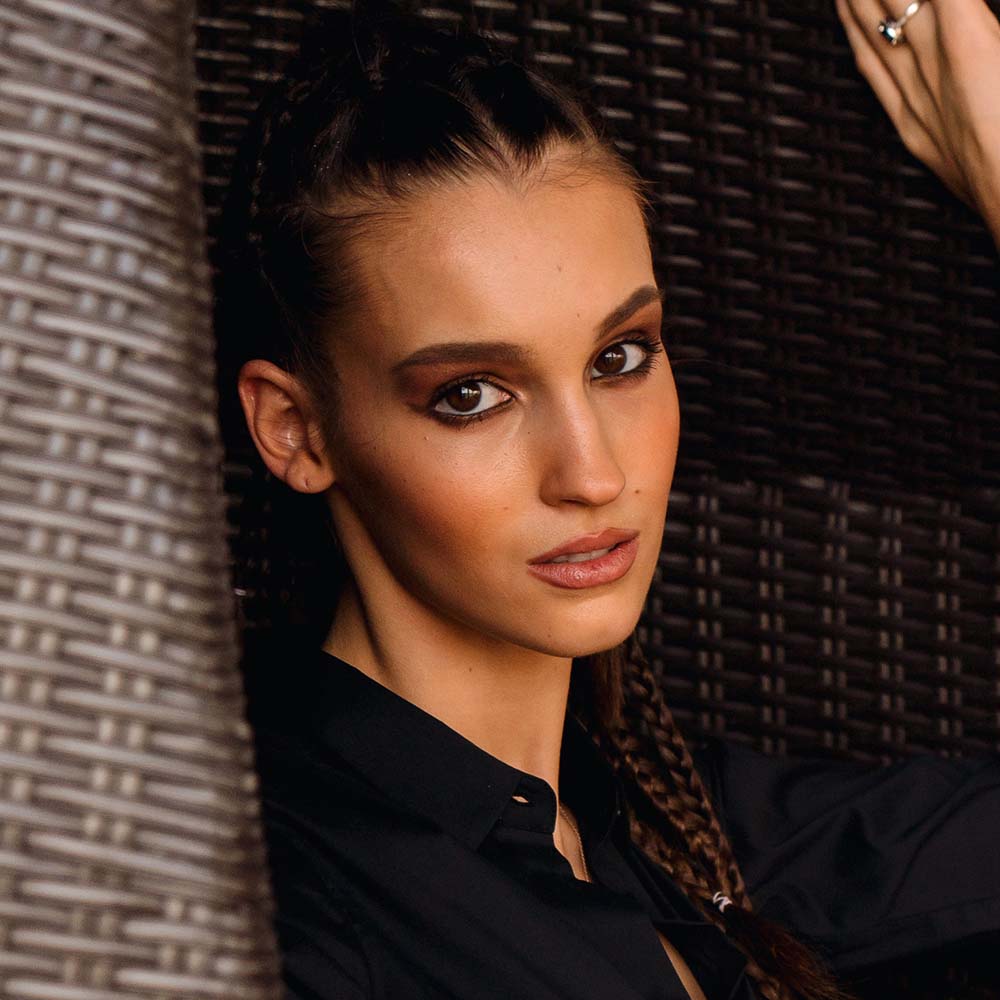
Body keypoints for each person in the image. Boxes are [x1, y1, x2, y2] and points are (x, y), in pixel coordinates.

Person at [211, 2, 1000, 999]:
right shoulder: (280, 908)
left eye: (620, 358)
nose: (591, 474)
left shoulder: (697, 837)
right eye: (471, 396)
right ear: (296, 428)